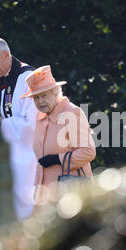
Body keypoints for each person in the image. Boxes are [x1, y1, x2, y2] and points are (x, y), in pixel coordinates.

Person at [21, 65, 96, 205]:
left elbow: (88, 152)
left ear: (56, 93)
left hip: (71, 195)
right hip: (45, 197)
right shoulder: (40, 117)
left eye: (44, 95)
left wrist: (57, 159)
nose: (40, 101)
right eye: (36, 97)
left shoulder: (72, 113)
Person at [0, 37, 38, 220]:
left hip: (26, 156)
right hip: (1, 153)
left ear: (6, 55)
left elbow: (34, 122)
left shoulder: (29, 78)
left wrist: (2, 124)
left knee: (24, 203)